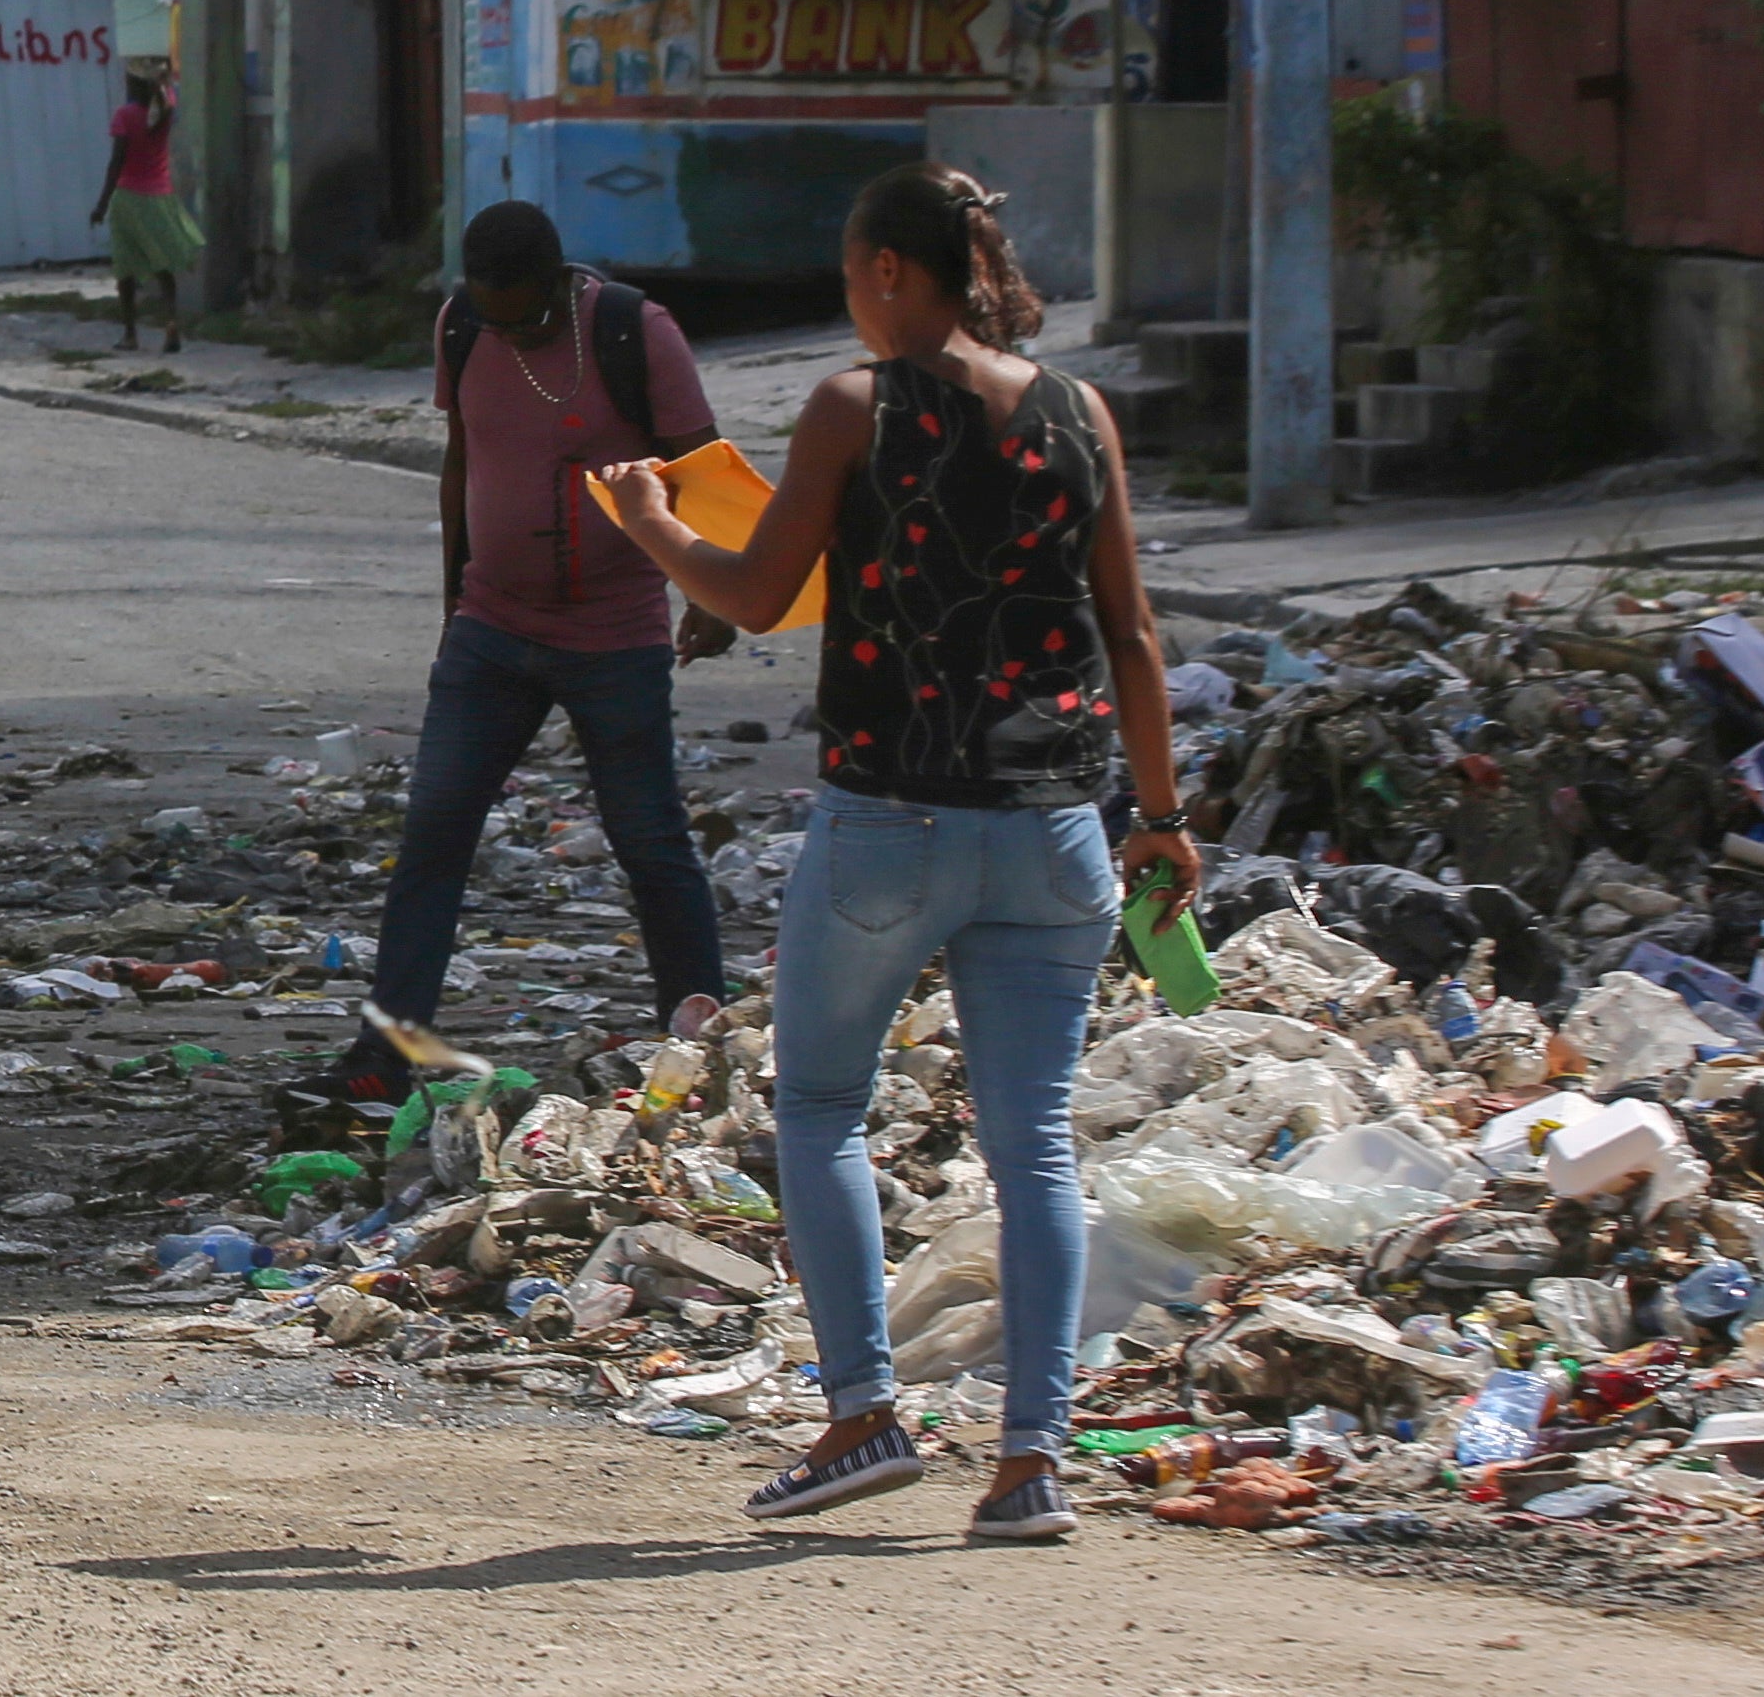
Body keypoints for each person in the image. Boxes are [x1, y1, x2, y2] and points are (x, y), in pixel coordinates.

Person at [590, 162, 1196, 1551]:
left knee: (817, 1105)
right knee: (1033, 1140)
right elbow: (1136, 635)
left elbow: (751, 592)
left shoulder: (854, 407)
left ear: (886, 273)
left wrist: (651, 522)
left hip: (890, 822)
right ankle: (1030, 1459)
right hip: (1057, 828)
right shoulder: (1077, 410)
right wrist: (1159, 817)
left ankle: (864, 1414)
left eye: (851, 272)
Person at [321, 199, 734, 1105]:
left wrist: (712, 592)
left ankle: (703, 1055)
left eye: (526, 317)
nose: (509, 332)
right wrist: (451, 599)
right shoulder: (463, 327)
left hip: (616, 630)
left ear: (558, 284)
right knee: (433, 832)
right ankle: (386, 1053)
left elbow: (702, 466)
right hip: (493, 629)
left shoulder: (632, 331)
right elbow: (460, 460)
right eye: (491, 314)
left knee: (652, 843)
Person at [88, 60, 197, 350]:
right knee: (163, 268)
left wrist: (101, 204)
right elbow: (168, 90)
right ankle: (171, 323)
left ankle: (130, 335)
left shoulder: (125, 116)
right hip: (162, 197)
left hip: (129, 199)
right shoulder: (164, 111)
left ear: (133, 85)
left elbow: (116, 164)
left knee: (125, 271)